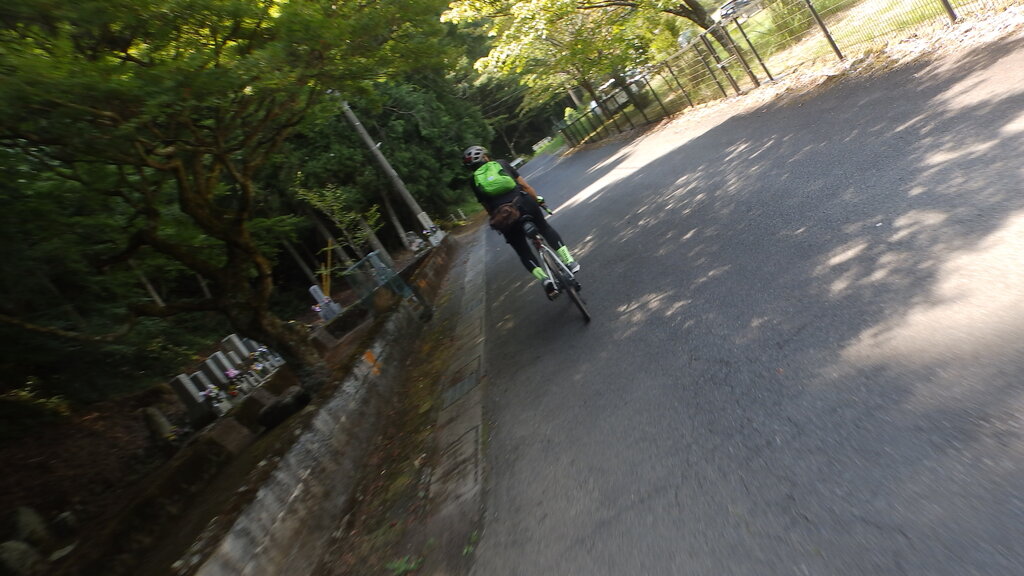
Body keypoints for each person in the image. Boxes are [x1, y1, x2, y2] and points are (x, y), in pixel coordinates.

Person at [462, 145, 580, 299]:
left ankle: (545, 279)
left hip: (505, 216)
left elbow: (488, 207)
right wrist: (538, 200)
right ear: (486, 157)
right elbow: (525, 186)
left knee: (522, 250)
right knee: (544, 228)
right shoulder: (501, 164)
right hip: (524, 204)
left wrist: (500, 221)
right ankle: (569, 261)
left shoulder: (473, 181)